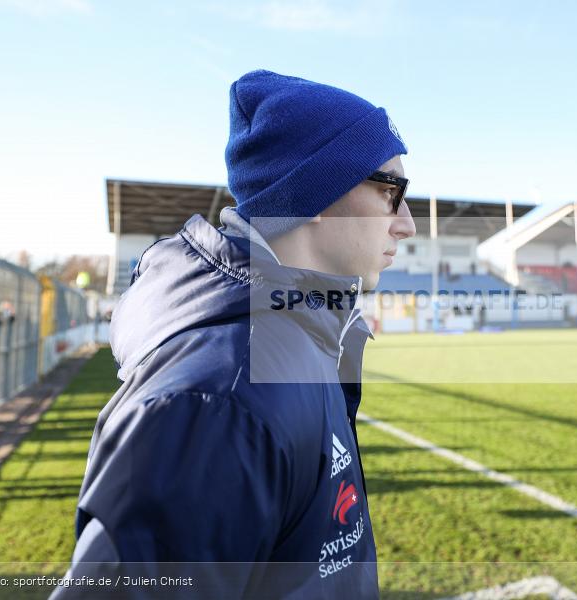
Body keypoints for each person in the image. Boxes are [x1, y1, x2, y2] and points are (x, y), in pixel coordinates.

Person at [52, 70, 416, 599]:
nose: (405, 223)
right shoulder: (215, 401)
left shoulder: (302, 338)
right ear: (315, 193)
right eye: (390, 191)